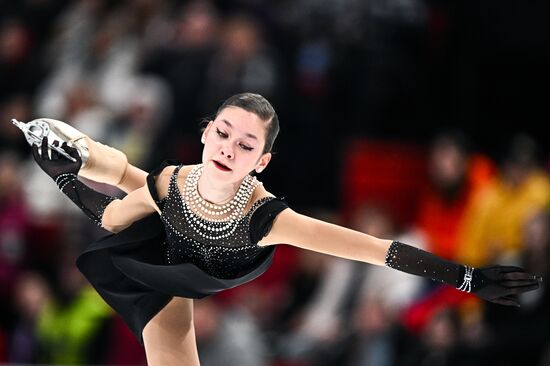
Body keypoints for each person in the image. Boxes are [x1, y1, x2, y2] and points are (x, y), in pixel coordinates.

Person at [27, 92, 542, 365]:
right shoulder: (169, 183)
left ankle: (87, 154)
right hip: (169, 263)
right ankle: (81, 149)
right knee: (128, 189)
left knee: (132, 184)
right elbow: (108, 217)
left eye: (246, 145)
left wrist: (468, 279)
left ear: (263, 161)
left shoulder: (269, 219)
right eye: (223, 132)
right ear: (206, 132)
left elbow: (375, 249)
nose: (229, 147)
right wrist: (63, 177)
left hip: (224, 257)